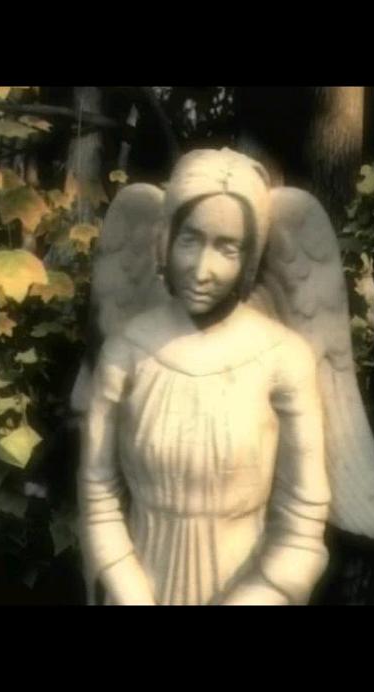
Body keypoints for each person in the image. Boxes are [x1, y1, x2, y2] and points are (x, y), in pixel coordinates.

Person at [78, 149, 331, 605]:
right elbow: (98, 495)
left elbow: (304, 522)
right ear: (166, 239)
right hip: (139, 589)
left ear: (250, 257)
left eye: (227, 248)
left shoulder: (283, 359)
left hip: (248, 592)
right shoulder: (126, 352)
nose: (202, 270)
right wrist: (131, 593)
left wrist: (256, 597)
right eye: (190, 240)